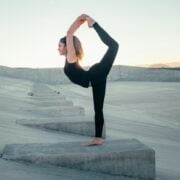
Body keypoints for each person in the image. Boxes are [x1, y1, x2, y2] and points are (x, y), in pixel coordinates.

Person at [58, 14, 119, 146]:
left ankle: (94, 25)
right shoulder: (69, 59)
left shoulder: (71, 57)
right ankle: (97, 138)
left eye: (60, 45)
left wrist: (82, 19)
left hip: (96, 75)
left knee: (114, 46)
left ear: (68, 47)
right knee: (98, 109)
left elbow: (69, 33)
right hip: (96, 81)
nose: (58, 48)